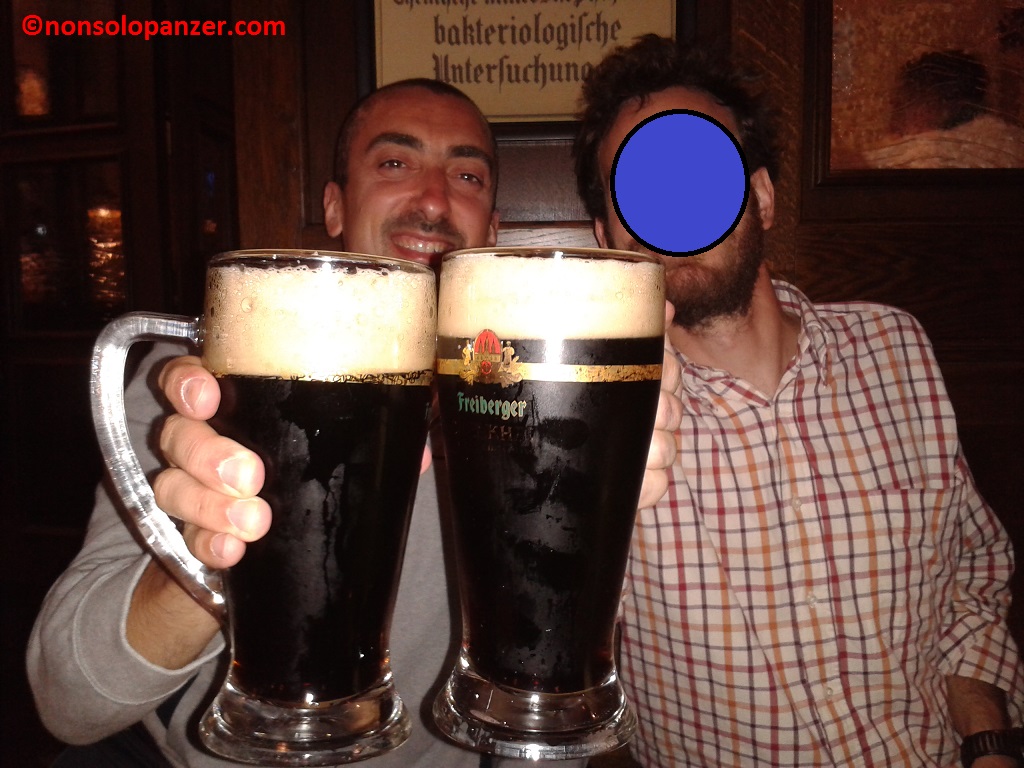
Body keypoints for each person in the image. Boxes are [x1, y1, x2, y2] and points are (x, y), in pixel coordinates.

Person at [27, 77, 681, 767]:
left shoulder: (556, 402)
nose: (434, 199)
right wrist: (211, 556)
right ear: (334, 206)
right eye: (394, 163)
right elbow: (69, 703)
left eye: (466, 175)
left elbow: (547, 699)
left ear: (491, 229)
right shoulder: (207, 382)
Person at [572, 34, 1023, 766]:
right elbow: (559, 651)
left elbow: (969, 577)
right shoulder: (593, 421)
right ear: (608, 237)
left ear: (761, 197)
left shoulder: (895, 349)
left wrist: (990, 743)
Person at [862, 49, 1024, 169]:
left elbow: (861, 166)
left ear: (939, 103)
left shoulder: (940, 149)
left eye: (904, 103)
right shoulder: (1010, 137)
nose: (895, 114)